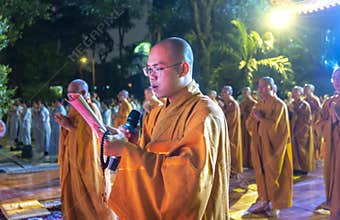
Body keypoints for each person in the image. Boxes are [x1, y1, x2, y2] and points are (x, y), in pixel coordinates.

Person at [104, 37, 230, 219]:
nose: (151, 76)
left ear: (183, 69)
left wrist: (128, 151)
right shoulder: (155, 113)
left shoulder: (205, 113)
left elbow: (189, 183)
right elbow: (146, 161)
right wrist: (129, 146)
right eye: (149, 69)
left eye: (159, 69)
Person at [55, 79, 114, 220]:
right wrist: (65, 124)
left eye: (72, 94)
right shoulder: (74, 109)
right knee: (72, 192)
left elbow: (90, 138)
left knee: (91, 192)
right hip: (72, 157)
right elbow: (71, 131)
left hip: (87, 161)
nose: (69, 97)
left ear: (83, 92)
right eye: (68, 94)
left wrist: (69, 126)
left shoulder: (91, 108)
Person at [246, 76, 293, 217]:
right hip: (259, 144)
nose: (260, 90)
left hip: (274, 147)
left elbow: (279, 130)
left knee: (274, 173)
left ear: (271, 87)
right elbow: (249, 124)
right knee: (261, 173)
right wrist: (255, 119)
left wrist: (261, 119)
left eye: (263, 87)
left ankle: (276, 203)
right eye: (259, 87)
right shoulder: (259, 105)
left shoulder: (279, 105)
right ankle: (264, 200)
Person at [320, 68, 340, 218]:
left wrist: (336, 119)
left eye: (339, 78)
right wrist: (330, 123)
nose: (337, 81)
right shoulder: (329, 102)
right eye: (334, 78)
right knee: (333, 175)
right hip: (332, 147)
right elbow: (319, 123)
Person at [289, 86, 314, 175]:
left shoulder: (304, 104)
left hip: (301, 131)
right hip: (293, 130)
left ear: (301, 93)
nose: (293, 94)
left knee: (301, 149)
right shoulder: (291, 104)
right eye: (293, 92)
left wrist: (294, 112)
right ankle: (295, 167)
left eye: (296, 92)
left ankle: (303, 168)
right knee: (293, 149)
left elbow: (306, 119)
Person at [220, 85, 243, 175]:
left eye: (224, 92)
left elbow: (231, 119)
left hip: (232, 131)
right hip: (226, 131)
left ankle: (234, 170)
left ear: (229, 93)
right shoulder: (226, 103)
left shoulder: (233, 104)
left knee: (232, 149)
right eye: (221, 92)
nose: (222, 94)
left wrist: (222, 110)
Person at [239, 87, 257, 168]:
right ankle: (244, 161)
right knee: (243, 143)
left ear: (249, 93)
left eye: (246, 92)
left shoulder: (254, 103)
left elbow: (254, 115)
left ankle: (252, 162)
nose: (244, 94)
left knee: (251, 143)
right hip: (243, 126)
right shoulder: (241, 104)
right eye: (243, 93)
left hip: (251, 127)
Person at [304, 83, 322, 160]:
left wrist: (315, 121)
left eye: (306, 89)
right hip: (305, 124)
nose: (304, 91)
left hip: (314, 123)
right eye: (304, 89)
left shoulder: (315, 99)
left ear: (311, 90)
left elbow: (319, 111)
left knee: (315, 141)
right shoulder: (304, 100)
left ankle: (316, 157)